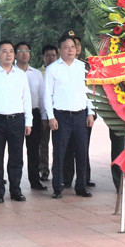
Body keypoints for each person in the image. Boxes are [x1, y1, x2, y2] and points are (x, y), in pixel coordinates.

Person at [0, 41, 33, 203]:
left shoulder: (21, 75)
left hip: (16, 120)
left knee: (16, 157)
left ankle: (16, 190)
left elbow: (27, 99)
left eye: (11, 51)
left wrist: (28, 121)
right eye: (4, 51)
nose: (8, 54)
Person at [44, 34, 94, 199]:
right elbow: (47, 95)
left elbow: (90, 92)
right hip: (60, 116)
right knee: (59, 152)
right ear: (59, 50)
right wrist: (51, 117)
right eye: (66, 47)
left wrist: (91, 113)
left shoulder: (83, 67)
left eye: (72, 47)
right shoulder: (53, 69)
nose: (70, 50)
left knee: (81, 152)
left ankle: (81, 186)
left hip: (80, 115)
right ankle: (58, 187)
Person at [15, 42, 46, 190]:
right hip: (16, 115)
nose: (24, 53)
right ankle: (15, 182)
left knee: (34, 149)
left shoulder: (36, 74)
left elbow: (41, 96)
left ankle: (35, 180)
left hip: (34, 114)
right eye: (21, 51)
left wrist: (44, 116)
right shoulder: (11, 72)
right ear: (15, 54)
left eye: (27, 50)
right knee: (16, 151)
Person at [64, 32, 94, 188]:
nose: (73, 49)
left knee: (83, 147)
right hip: (64, 114)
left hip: (83, 113)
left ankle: (84, 179)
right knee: (67, 148)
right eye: (69, 46)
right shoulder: (60, 66)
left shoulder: (86, 66)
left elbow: (91, 90)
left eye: (76, 45)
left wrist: (91, 113)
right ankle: (66, 178)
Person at [38, 44, 58, 181]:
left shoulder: (60, 71)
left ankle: (57, 170)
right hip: (43, 114)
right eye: (47, 55)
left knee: (58, 145)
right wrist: (44, 116)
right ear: (42, 57)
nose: (50, 58)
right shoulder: (38, 73)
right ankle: (43, 169)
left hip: (59, 114)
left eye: (53, 55)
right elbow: (41, 96)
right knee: (43, 144)